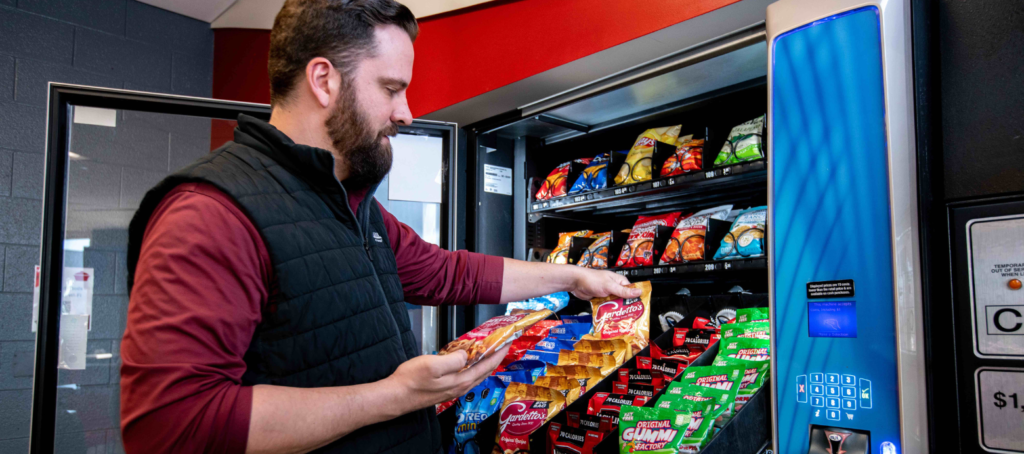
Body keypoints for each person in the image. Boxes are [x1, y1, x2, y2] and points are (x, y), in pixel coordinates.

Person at [119, 1, 640, 453]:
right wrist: (393, 398)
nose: (406, 113)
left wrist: (572, 278)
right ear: (323, 80)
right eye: (391, 89)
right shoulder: (209, 213)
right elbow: (170, 427)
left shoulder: (350, 203)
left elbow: (446, 274)